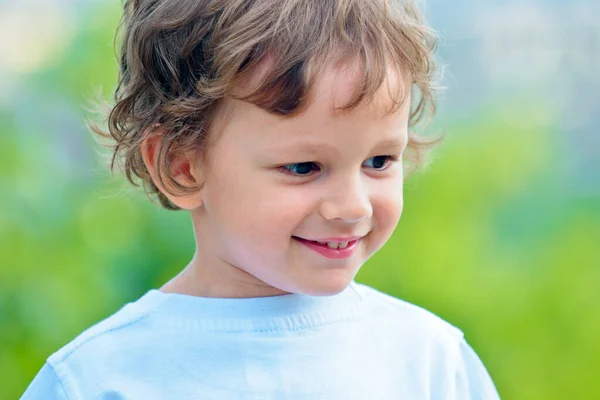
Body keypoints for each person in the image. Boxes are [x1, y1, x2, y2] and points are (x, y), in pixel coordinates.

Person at [22, 0, 500, 398]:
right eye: (303, 167)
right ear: (181, 165)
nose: (354, 207)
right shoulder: (95, 380)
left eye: (379, 161)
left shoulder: (431, 362)